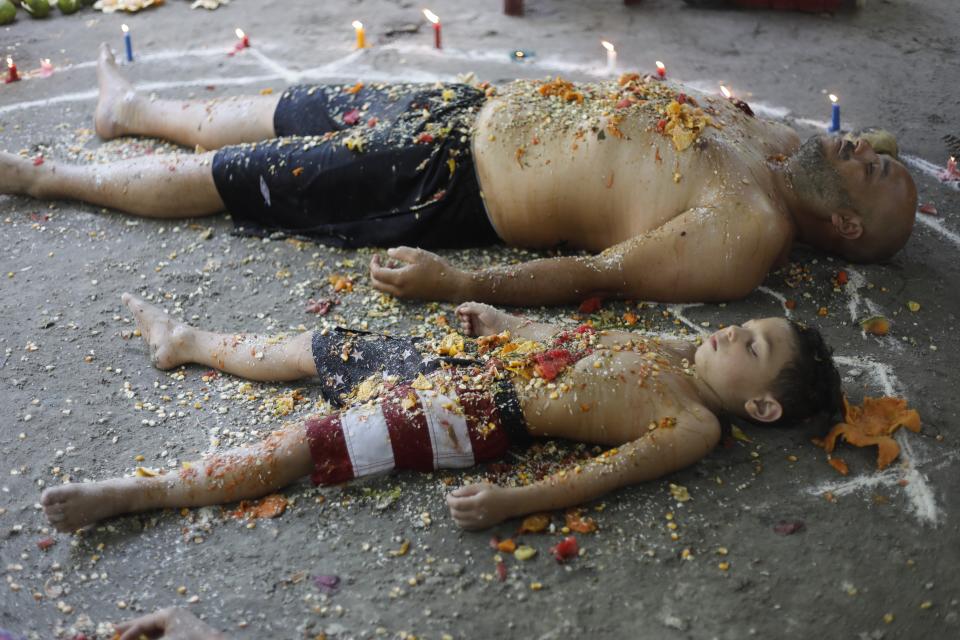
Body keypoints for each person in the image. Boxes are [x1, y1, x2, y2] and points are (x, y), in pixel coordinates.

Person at [2, 45, 916, 305]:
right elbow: (855, 139)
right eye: (877, 155)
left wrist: (460, 282)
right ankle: (128, 115)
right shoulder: (777, 146)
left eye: (875, 177)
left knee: (243, 171)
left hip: (457, 178)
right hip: (479, 106)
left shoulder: (745, 224)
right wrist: (852, 153)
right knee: (290, 106)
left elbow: (606, 274)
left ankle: (43, 181)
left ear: (843, 229)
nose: (869, 152)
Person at [40, 293, 842, 533]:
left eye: (754, 347)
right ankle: (190, 339)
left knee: (300, 447)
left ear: (760, 405)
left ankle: (134, 493)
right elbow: (580, 339)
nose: (736, 330)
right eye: (749, 325)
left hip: (476, 419)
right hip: (477, 366)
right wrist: (508, 325)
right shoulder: (674, 349)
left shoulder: (695, 425)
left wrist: (511, 502)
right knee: (321, 346)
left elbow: (603, 474)